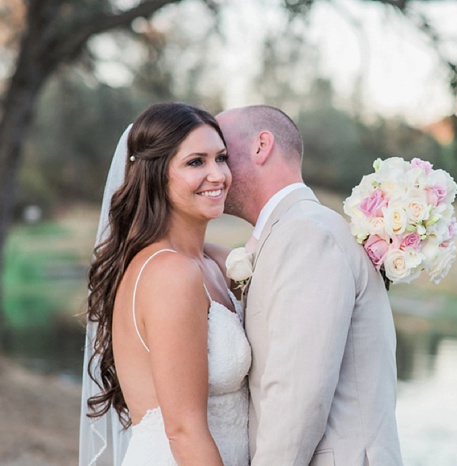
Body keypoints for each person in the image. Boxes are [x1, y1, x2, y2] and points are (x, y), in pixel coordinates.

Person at [217, 105, 403, 466]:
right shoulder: (290, 230)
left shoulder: (306, 233)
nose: (215, 170)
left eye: (222, 154)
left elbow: (298, 398)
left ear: (261, 146)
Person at [79, 102, 251, 466]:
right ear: (156, 173)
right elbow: (184, 431)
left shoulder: (215, 262)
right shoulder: (170, 273)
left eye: (221, 158)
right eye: (195, 162)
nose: (218, 175)